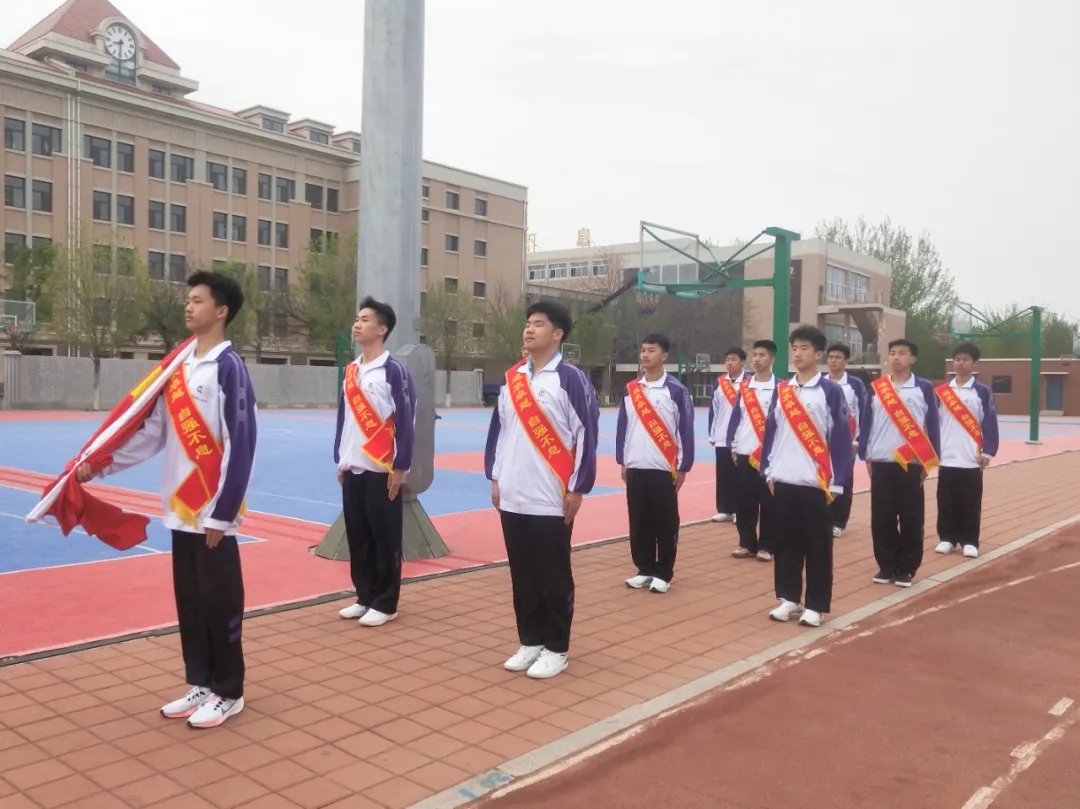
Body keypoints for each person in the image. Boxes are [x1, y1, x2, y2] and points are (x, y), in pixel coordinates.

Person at [76, 271, 257, 729]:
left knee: (220, 600)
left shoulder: (229, 367)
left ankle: (228, 690)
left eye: (197, 301)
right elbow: (155, 432)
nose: (188, 307)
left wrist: (223, 511)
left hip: (211, 510)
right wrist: (104, 464)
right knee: (191, 601)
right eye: (187, 300)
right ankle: (201, 680)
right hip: (180, 508)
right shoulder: (179, 365)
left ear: (221, 311)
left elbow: (242, 442)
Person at [484, 301, 599, 679]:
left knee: (553, 573)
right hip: (514, 495)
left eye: (538, 324)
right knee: (522, 573)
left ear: (558, 333)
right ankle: (530, 640)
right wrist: (497, 478)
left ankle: (557, 647)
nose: (528, 330)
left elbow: (586, 435)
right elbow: (499, 433)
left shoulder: (570, 379)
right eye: (527, 324)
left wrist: (578, 488)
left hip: (552, 495)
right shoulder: (513, 378)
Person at [760, 325, 852, 628]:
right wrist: (768, 470)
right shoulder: (783, 389)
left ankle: (816, 604)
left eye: (804, 349)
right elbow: (771, 432)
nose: (798, 354)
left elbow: (840, 438)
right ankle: (789, 598)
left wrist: (838, 481)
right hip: (784, 480)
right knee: (786, 545)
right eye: (794, 348)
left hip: (817, 484)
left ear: (818, 354)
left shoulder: (830, 391)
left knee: (817, 547)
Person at [335, 296, 416, 628]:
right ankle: (364, 595)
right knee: (358, 535)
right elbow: (344, 419)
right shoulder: (351, 371)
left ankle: (386, 601)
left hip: (381, 468)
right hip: (353, 467)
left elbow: (406, 421)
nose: (358, 324)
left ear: (382, 329)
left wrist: (400, 467)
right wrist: (340, 460)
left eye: (366, 320)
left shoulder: (394, 371)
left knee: (384, 536)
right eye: (357, 318)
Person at [616, 333, 695, 593]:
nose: (645, 355)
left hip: (664, 468)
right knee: (638, 521)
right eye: (643, 350)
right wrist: (623, 461)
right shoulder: (631, 390)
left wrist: (683, 466)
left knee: (665, 521)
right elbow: (623, 428)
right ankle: (644, 568)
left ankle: (663, 572)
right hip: (636, 465)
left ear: (664, 355)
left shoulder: (676, 390)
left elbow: (685, 429)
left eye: (651, 350)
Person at [859, 338, 941, 588]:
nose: (896, 357)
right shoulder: (877, 388)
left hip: (911, 461)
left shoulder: (924, 388)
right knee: (881, 517)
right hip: (882, 459)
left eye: (902, 353)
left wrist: (929, 461)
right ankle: (886, 565)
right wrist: (866, 456)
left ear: (912, 359)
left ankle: (907, 567)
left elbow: (933, 425)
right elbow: (867, 423)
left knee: (911, 517)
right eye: (892, 353)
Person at [934, 342, 999, 559]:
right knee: (945, 500)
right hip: (947, 456)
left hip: (971, 457)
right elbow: (933, 423)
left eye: (965, 360)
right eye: (957, 359)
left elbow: (989, 422)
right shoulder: (942, 392)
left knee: (970, 502)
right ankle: (947, 538)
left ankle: (970, 540)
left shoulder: (982, 391)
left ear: (974, 363)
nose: (961, 363)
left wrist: (988, 451)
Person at [725, 339, 777, 561]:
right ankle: (746, 543)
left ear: (772, 359)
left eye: (762, 355)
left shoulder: (782, 387)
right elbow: (736, 418)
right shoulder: (745, 387)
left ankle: (767, 545)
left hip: (770, 456)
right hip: (746, 452)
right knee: (745, 501)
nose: (757, 359)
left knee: (769, 502)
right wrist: (733, 446)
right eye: (754, 355)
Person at [824, 343, 867, 537]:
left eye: (838, 357)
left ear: (846, 360)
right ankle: (823, 516)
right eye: (831, 357)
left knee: (843, 480)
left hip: (846, 442)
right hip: (821, 442)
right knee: (823, 478)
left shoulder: (855, 384)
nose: (833, 361)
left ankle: (839, 522)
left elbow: (863, 413)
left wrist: (857, 441)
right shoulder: (821, 382)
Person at [708, 347, 750, 522]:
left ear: (742, 362)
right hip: (721, 436)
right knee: (723, 474)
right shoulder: (719, 382)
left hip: (741, 437)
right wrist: (712, 433)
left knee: (740, 476)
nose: (729, 363)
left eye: (733, 359)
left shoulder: (749, 382)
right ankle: (724, 508)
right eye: (727, 360)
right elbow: (714, 409)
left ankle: (739, 510)